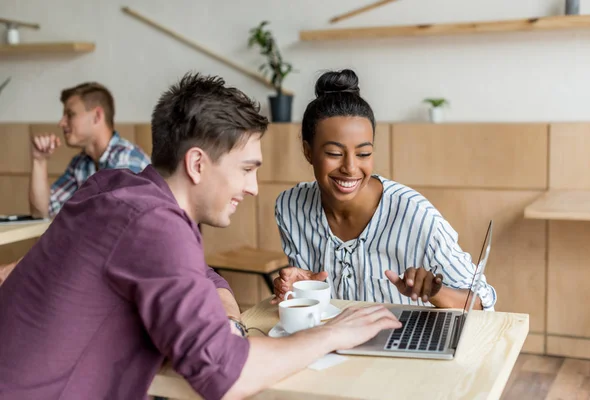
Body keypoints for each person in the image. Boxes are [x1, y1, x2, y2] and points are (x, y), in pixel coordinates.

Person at [0, 72, 401, 400]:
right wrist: (333, 332)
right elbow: (224, 375)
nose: (254, 187)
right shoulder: (153, 223)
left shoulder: (115, 187)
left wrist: (229, 320)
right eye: (246, 169)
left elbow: (201, 274)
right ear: (196, 164)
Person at [272, 69, 497, 311]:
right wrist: (295, 289)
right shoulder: (290, 207)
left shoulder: (416, 215)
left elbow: (483, 301)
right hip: (329, 343)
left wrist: (435, 292)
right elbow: (311, 300)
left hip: (399, 345)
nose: (350, 167)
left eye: (364, 154)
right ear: (308, 152)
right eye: (334, 154)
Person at [0, 82, 150, 286]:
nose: (61, 122)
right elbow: (43, 210)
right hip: (93, 264)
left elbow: (103, 235)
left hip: (127, 271)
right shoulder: (81, 163)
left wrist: (23, 265)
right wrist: (39, 161)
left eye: (69, 114)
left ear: (97, 116)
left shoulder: (126, 162)